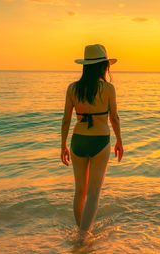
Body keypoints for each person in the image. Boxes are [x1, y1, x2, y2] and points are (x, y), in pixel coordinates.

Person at [60, 44, 124, 236]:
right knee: (94, 193)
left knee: (80, 191)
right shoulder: (108, 89)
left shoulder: (73, 88)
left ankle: (81, 231)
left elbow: (65, 119)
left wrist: (62, 145)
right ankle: (82, 237)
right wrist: (119, 141)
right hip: (100, 141)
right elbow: (114, 117)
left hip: (77, 141)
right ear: (103, 66)